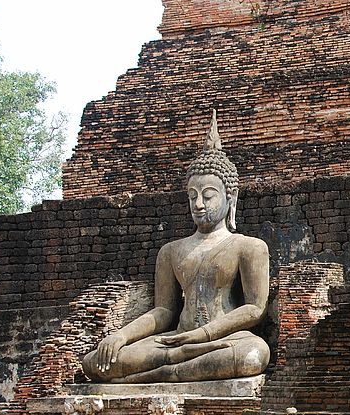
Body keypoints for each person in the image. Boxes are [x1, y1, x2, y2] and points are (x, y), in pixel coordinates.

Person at [82, 111, 270, 383]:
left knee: (254, 354)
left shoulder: (249, 247)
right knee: (95, 362)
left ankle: (159, 374)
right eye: (192, 196)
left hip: (222, 339)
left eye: (208, 195)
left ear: (231, 197)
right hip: (174, 341)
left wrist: (202, 335)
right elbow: (164, 311)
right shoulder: (171, 251)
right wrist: (121, 335)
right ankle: (172, 368)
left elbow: (254, 309)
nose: (199, 204)